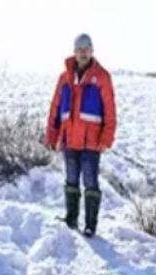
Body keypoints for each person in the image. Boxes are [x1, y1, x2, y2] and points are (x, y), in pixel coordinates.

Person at [45, 33, 117, 238]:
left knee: (90, 182)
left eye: (86, 49)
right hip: (69, 140)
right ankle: (71, 219)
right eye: (79, 49)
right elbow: (55, 107)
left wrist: (106, 138)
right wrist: (52, 135)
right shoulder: (64, 78)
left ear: (91, 51)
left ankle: (90, 225)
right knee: (71, 180)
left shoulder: (102, 77)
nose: (83, 53)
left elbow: (110, 110)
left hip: (92, 142)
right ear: (74, 52)